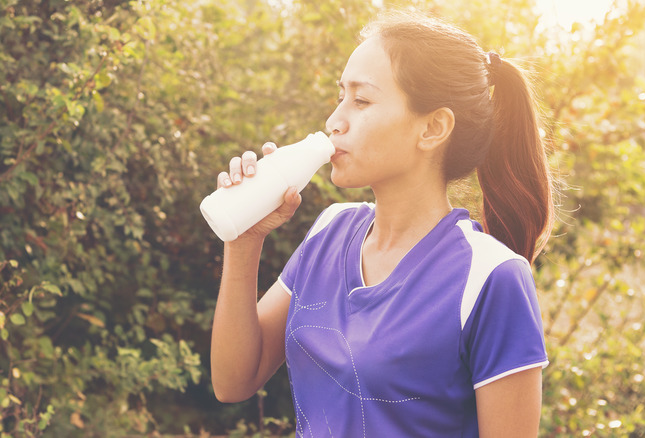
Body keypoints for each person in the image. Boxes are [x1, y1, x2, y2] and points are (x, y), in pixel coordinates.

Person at [209, 10, 554, 438]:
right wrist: (243, 242)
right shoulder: (329, 231)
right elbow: (233, 382)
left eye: (362, 100)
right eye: (341, 96)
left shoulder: (491, 277)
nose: (335, 121)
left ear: (433, 127)